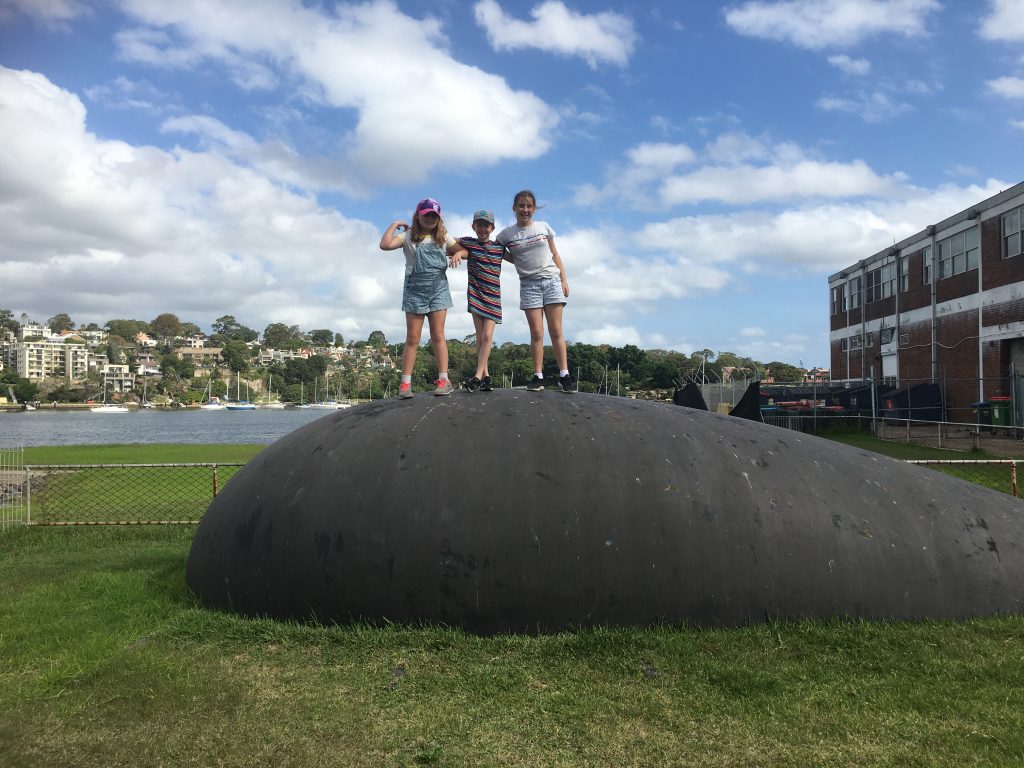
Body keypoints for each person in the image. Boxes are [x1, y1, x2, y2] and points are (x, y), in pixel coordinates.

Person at [379, 198, 467, 398]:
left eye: (433, 216)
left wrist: (457, 254)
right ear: (418, 215)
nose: (429, 218)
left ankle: (444, 380)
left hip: (438, 289)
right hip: (414, 290)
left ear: (438, 218)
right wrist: (395, 225)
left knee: (438, 335)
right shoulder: (408, 236)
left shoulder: (443, 237)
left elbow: (464, 251)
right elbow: (384, 245)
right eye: (426, 214)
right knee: (413, 338)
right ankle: (405, 384)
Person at [495, 189, 573, 393]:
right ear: (514, 208)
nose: (525, 209)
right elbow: (496, 251)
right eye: (521, 205)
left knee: (556, 330)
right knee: (536, 332)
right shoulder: (507, 234)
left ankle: (564, 375)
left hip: (551, 280)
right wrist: (516, 260)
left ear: (534, 208)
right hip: (529, 284)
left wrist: (564, 279)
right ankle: (538, 376)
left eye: (529, 206)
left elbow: (555, 254)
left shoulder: (543, 227)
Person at [458, 209, 504, 392]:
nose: (483, 228)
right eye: (479, 225)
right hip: (476, 295)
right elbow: (448, 240)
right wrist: (457, 253)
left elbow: (517, 259)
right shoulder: (469, 243)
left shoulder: (499, 248)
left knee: (487, 337)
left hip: (492, 297)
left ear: (492, 227)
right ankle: (486, 377)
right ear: (473, 226)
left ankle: (477, 376)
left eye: (486, 225)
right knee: (480, 338)